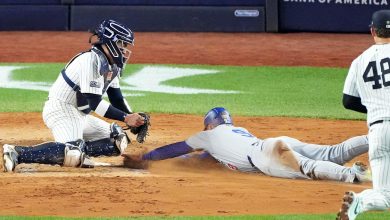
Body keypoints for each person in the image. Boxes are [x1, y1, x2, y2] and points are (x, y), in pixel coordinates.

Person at [2, 19, 146, 172]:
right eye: (121, 44)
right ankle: (17, 153)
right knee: (73, 154)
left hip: (80, 115)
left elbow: (116, 98)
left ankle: (78, 150)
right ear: (110, 42)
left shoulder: (112, 65)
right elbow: (95, 104)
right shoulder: (90, 61)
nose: (124, 50)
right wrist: (125, 118)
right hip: (61, 110)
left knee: (118, 139)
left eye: (126, 46)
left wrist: (133, 118)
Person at [125, 107, 371, 184]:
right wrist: (184, 165)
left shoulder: (208, 136)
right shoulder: (236, 132)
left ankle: (352, 175)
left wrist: (148, 158)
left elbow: (177, 148)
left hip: (267, 156)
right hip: (277, 142)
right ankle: (377, 137)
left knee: (309, 168)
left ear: (209, 125)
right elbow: (201, 162)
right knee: (333, 152)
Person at [337, 10, 390, 220]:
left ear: (372, 31)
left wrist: (377, 106)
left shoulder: (359, 61)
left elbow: (348, 101)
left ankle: (359, 201)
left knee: (385, 196)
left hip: (378, 131)